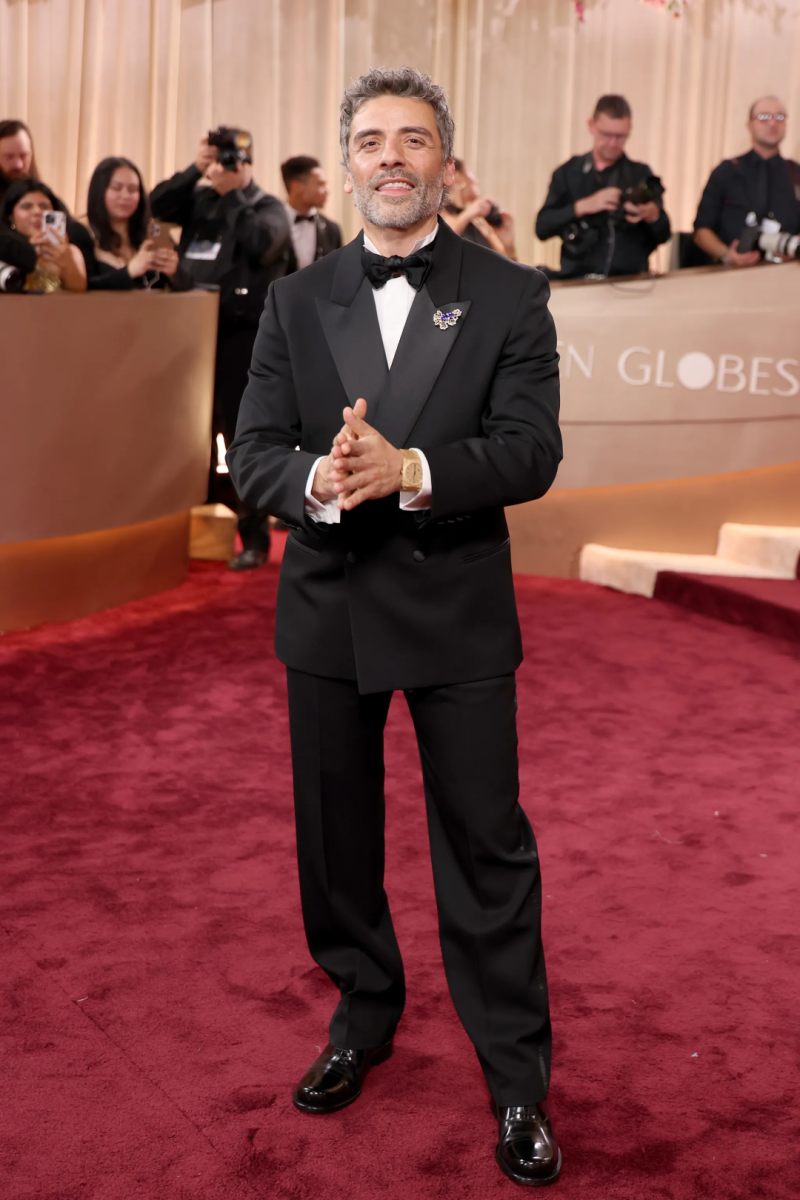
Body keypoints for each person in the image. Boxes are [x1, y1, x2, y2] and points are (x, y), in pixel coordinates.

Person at [228, 67, 563, 1187]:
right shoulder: (295, 300)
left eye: (412, 140)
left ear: (443, 164)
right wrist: (319, 480)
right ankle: (362, 1013)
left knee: (485, 847)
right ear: (346, 161)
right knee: (336, 849)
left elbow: (531, 451)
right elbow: (254, 451)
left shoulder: (509, 292)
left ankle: (515, 1080)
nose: (390, 158)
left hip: (458, 605)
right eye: (369, 139)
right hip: (329, 608)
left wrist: (411, 468)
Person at [150, 128, 291, 570]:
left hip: (239, 338)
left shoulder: (266, 208)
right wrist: (195, 169)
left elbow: (262, 245)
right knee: (190, 435)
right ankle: (198, 531)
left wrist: (233, 195)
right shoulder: (200, 199)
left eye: (233, 160)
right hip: (190, 331)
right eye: (219, 160)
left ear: (248, 164)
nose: (225, 168)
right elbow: (157, 206)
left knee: (239, 436)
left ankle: (254, 538)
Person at [535, 94, 670, 278]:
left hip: (631, 281)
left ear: (629, 129)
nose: (613, 143)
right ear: (591, 125)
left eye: (620, 136)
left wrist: (653, 216)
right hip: (577, 281)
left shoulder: (640, 174)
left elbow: (664, 234)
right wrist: (582, 206)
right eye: (606, 135)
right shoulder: (568, 173)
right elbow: (542, 227)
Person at [693, 96, 800, 267]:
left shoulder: (796, 173)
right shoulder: (726, 171)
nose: (773, 123)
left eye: (779, 117)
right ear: (750, 125)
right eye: (764, 117)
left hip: (787, 273)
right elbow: (701, 230)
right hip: (732, 274)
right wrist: (727, 254)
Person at [0, 118, 95, 270]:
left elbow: (76, 233)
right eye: (9, 157)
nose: (18, 164)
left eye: (23, 156)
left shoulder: (44, 195)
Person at [84, 156, 191, 291]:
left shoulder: (154, 232)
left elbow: (188, 283)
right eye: (116, 188)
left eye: (133, 189)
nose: (125, 196)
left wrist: (174, 273)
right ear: (99, 191)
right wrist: (129, 272)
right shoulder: (82, 233)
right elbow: (82, 288)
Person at [1, 178, 87, 292]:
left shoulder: (70, 251)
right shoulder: (5, 253)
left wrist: (67, 261)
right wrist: (27, 253)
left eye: (44, 206)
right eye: (27, 206)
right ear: (11, 217)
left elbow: (80, 293)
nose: (37, 212)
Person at [442, 157, 516, 258]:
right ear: (457, 176)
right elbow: (441, 241)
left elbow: (507, 263)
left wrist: (508, 245)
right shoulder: (438, 215)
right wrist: (472, 211)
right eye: (470, 172)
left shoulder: (479, 222)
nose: (476, 180)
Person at [281, 155, 342, 273]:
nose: (327, 191)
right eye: (320, 184)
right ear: (297, 187)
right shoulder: (273, 226)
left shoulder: (332, 230)